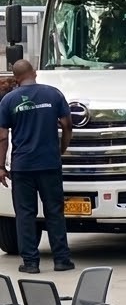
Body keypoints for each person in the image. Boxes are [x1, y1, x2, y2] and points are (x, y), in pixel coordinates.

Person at [0, 60, 75, 274]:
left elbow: (3, 136)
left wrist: (1, 167)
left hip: (22, 166)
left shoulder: (8, 100)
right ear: (34, 73)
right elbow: (67, 124)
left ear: (16, 78)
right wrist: (62, 147)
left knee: (25, 214)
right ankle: (61, 260)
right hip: (50, 163)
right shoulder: (54, 94)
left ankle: (31, 263)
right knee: (55, 212)